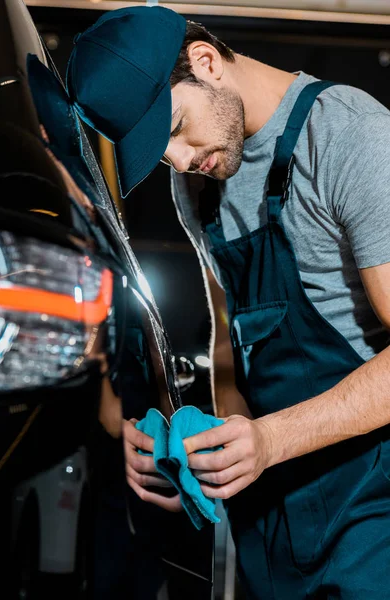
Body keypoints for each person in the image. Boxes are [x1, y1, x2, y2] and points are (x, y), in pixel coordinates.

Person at [66, 6, 390, 598]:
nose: (182, 161)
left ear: (207, 62)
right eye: (162, 155)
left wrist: (271, 441)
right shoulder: (200, 177)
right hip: (274, 523)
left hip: (374, 513)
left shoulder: (352, 136)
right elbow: (236, 365)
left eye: (173, 130)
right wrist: (185, 448)